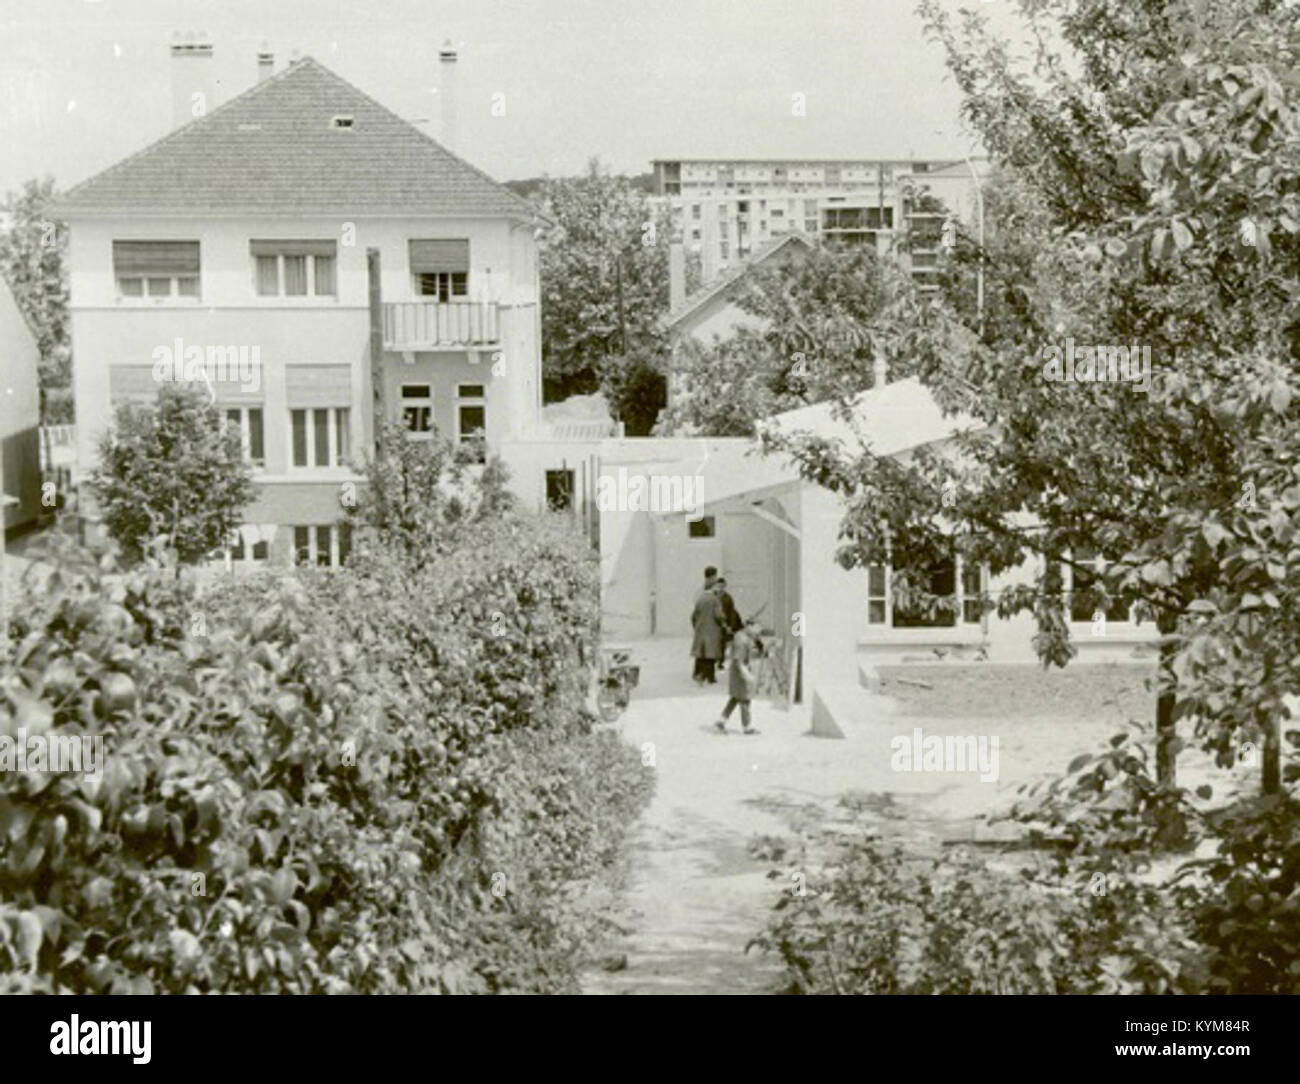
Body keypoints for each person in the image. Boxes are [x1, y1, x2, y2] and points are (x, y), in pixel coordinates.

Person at [715, 617, 760, 734]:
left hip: (738, 671)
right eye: (756, 628)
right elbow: (739, 660)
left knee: (735, 697)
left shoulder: (743, 636)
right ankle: (747, 727)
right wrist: (747, 675)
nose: (757, 631)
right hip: (740, 672)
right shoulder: (742, 640)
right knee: (745, 699)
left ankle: (721, 721)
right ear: (749, 626)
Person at [691, 567, 723, 684]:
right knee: (709, 653)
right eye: (714, 576)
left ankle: (699, 674)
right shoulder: (714, 597)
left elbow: (694, 614)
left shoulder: (700, 594)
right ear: (711, 577)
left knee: (701, 652)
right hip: (711, 627)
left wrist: (696, 625)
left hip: (701, 626)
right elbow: (718, 615)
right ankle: (707, 676)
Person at [713, 577, 742, 662]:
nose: (720, 588)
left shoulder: (728, 598)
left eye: (722, 586)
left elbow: (731, 613)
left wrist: (730, 626)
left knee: (723, 641)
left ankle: (720, 660)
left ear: (725, 586)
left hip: (725, 623)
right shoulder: (712, 596)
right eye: (719, 586)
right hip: (715, 623)